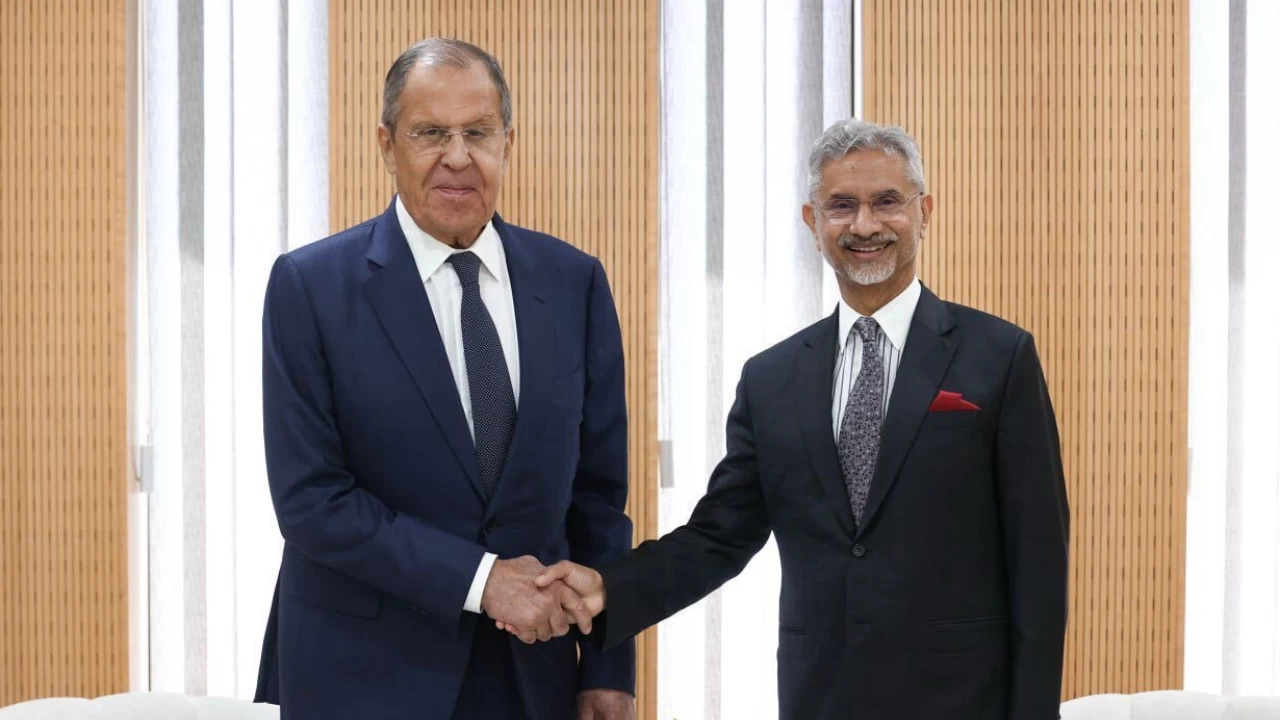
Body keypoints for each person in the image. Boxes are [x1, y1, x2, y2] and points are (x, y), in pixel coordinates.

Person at [530, 119, 1070, 719]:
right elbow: (718, 537)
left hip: (963, 701)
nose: (864, 224)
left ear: (925, 212)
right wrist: (611, 589)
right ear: (813, 224)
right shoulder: (772, 379)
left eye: (887, 201)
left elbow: (1038, 562)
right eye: (842, 205)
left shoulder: (1000, 357)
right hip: (822, 698)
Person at [252, 38, 635, 720]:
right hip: (360, 677)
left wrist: (608, 668)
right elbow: (312, 500)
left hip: (529, 677)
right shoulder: (309, 287)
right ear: (386, 143)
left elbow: (599, 500)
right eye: (430, 133)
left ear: (508, 142)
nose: (457, 156)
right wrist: (482, 580)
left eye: (478, 133)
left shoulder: (574, 282)